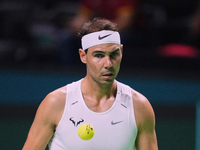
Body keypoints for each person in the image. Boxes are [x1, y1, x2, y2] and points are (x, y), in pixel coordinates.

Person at [22, 18, 158, 150]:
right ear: (83, 56)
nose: (108, 64)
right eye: (99, 55)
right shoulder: (55, 103)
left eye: (114, 54)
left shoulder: (139, 106)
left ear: (121, 52)